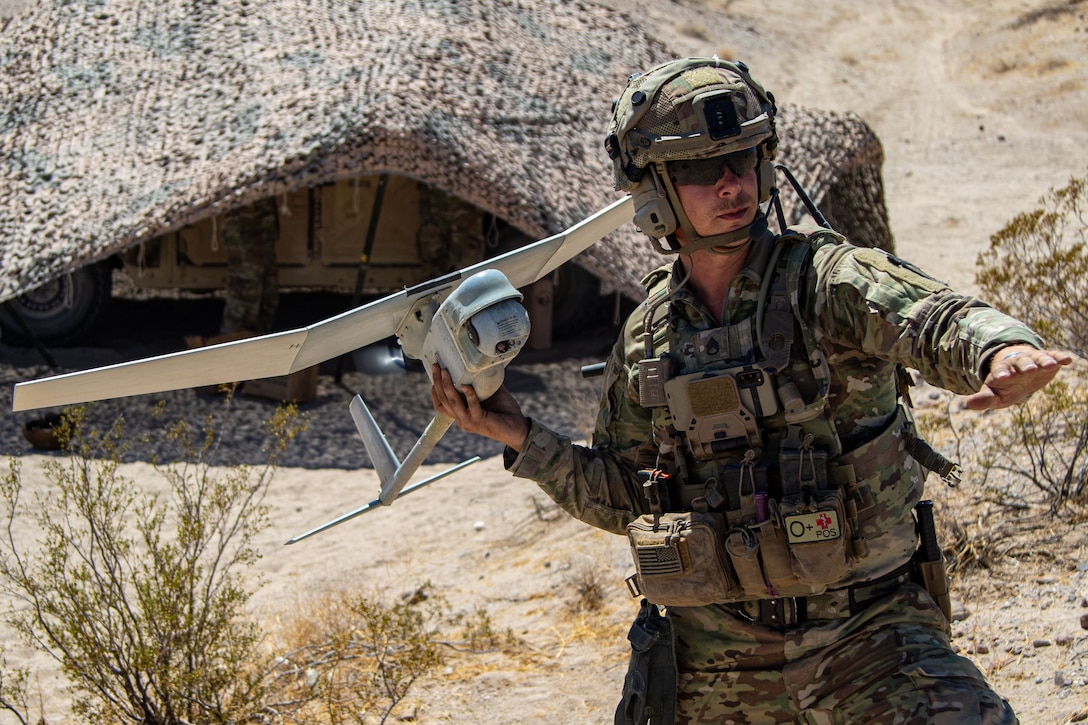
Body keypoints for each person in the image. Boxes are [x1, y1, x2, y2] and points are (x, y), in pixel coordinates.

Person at [431, 57, 1072, 724]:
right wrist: (520, 438)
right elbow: (626, 496)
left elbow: (935, 317)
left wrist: (1002, 349)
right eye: (702, 169)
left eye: (742, 158)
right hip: (712, 663)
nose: (731, 182)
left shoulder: (827, 283)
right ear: (654, 190)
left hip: (868, 640)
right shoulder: (648, 338)